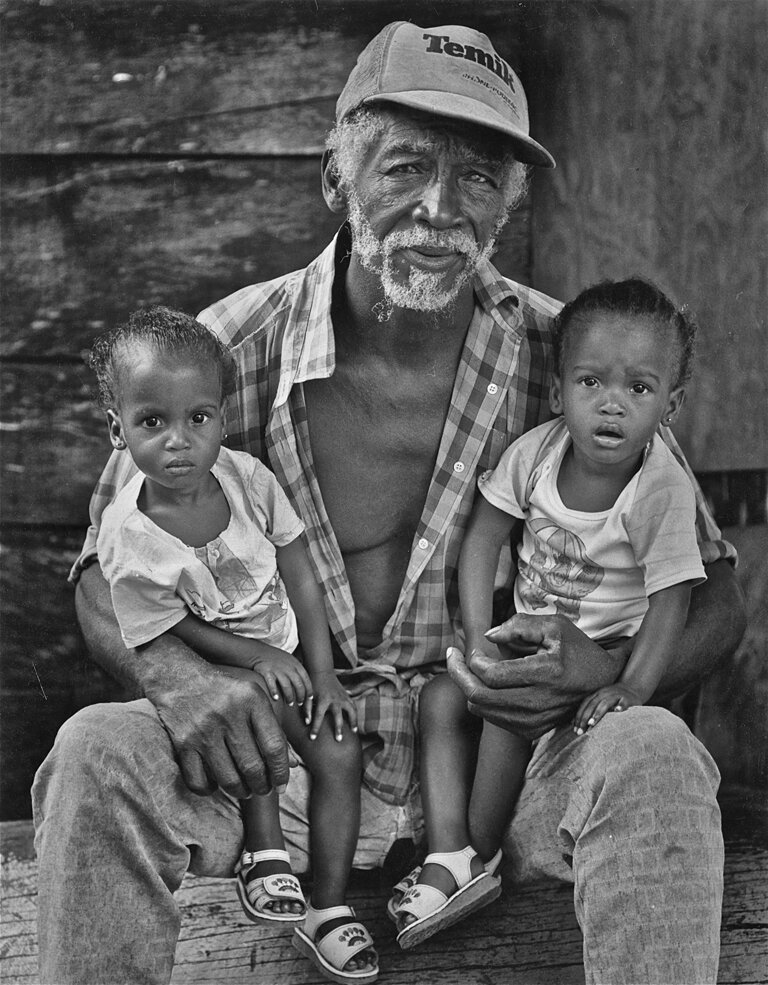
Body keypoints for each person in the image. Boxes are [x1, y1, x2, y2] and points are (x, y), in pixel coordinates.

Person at [31, 20, 745, 985]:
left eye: (480, 178)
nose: (442, 208)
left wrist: (604, 664)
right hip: (274, 771)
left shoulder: (572, 362)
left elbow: (715, 595)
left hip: (503, 766)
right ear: (338, 175)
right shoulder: (226, 349)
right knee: (96, 751)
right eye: (406, 167)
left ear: (511, 202)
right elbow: (96, 581)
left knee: (654, 750)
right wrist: (183, 682)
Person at [388, 278, 706, 949]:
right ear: (560, 391)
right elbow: (481, 540)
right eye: (591, 382)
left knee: (506, 717)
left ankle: (478, 851)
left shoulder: (660, 490)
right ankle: (447, 854)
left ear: (670, 404)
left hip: (597, 655)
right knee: (442, 698)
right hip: (526, 641)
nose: (612, 404)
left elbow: (673, 597)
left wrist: (630, 684)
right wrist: (478, 641)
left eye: (639, 389)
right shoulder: (535, 453)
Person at [88, 306, 377, 983]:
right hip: (224, 672)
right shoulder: (127, 538)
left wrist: (324, 673)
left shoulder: (250, 482)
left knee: (340, 748)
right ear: (118, 429)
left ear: (222, 416)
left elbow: (302, 575)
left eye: (199, 418)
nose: (180, 441)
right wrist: (249, 658)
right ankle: (265, 854)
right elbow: (165, 626)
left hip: (290, 658)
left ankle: (328, 908)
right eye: (152, 422)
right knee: (242, 710)